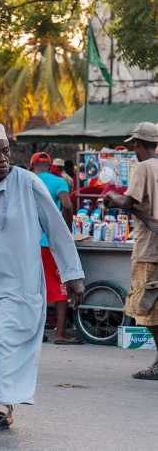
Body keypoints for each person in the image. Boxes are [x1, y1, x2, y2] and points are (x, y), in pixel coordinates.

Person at [0, 124, 84, 445]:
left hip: (19, 282)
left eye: (6, 151)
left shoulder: (27, 183)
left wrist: (72, 274)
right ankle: (6, 406)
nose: (3, 158)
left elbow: (56, 227)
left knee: (3, 342)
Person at [105, 122, 158, 380]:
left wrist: (112, 197)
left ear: (138, 144)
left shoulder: (143, 168)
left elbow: (128, 202)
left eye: (134, 144)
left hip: (149, 250)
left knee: (147, 310)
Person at [30, 152, 81, 345]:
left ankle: (36, 331)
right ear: (51, 165)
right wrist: (65, 230)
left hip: (28, 242)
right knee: (61, 286)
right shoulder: (59, 182)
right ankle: (60, 333)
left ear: (31, 165)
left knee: (35, 287)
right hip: (49, 242)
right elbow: (67, 205)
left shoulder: (26, 181)